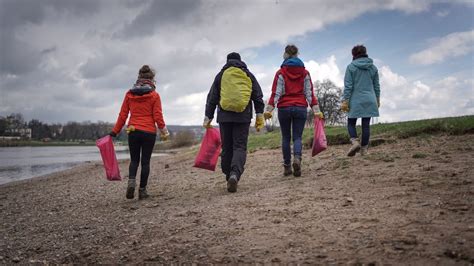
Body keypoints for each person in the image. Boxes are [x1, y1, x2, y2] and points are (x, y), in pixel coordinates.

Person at [204, 52, 265, 193]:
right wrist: (259, 115)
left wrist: (208, 117)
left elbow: (212, 97)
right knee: (239, 147)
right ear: (240, 61)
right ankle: (234, 174)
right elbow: (258, 95)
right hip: (243, 116)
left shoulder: (221, 75)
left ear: (227, 61)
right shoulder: (248, 74)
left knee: (227, 147)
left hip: (224, 117)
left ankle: (228, 175)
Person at [110, 65, 169, 200]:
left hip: (133, 130)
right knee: (145, 162)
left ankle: (131, 181)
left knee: (134, 160)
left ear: (139, 78)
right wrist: (164, 131)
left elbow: (123, 115)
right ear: (152, 79)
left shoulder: (129, 94)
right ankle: (142, 191)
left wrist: (115, 131)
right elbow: (158, 116)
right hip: (149, 132)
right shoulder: (154, 95)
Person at [264, 44, 323, 177]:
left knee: (286, 137)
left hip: (284, 108)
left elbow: (276, 93)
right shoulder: (305, 73)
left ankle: (287, 167)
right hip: (300, 107)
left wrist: (269, 109)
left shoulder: (280, 73)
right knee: (297, 137)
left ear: (285, 54)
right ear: (297, 54)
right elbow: (309, 93)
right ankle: (297, 158)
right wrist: (316, 110)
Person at [341, 45, 380, 156]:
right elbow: (376, 86)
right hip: (370, 99)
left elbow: (348, 86)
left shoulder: (351, 67)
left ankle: (354, 142)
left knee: (351, 123)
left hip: (355, 100)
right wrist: (377, 99)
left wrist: (345, 100)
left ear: (353, 55)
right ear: (365, 53)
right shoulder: (373, 67)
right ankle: (364, 150)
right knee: (366, 125)